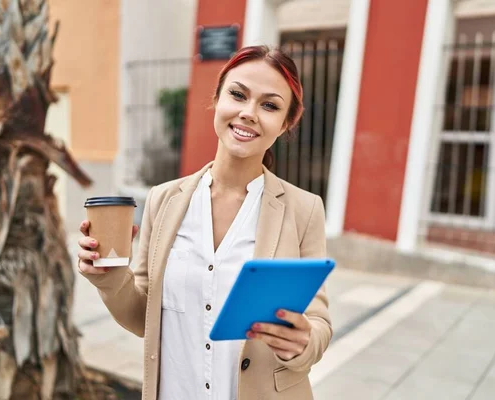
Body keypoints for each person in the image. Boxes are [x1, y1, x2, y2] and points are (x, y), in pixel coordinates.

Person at [77, 45, 331, 400]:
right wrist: (109, 279)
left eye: (269, 105)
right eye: (238, 95)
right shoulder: (163, 200)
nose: (248, 113)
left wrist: (302, 342)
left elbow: (317, 323)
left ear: (287, 123)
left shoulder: (304, 210)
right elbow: (143, 318)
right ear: (217, 98)